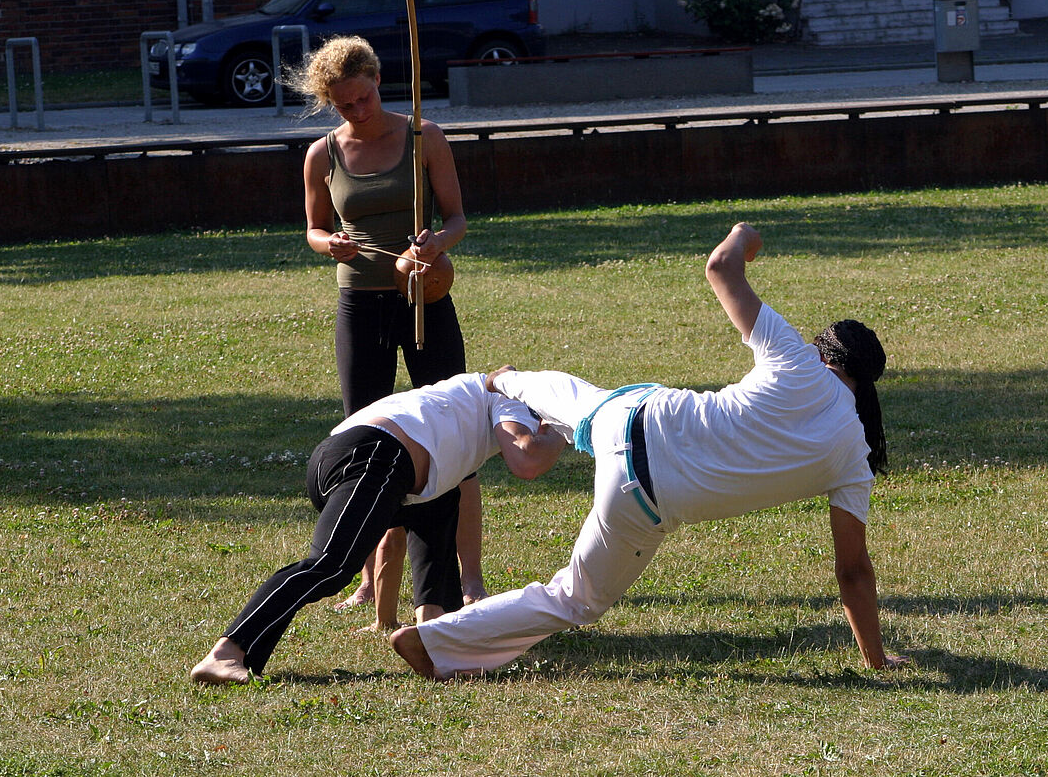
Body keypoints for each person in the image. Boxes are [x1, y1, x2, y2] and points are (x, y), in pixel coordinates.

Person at [391, 222, 909, 679]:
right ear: (866, 385)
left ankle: (508, 382)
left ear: (825, 353)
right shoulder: (853, 459)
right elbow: (852, 571)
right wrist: (876, 659)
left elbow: (721, 266)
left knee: (586, 405)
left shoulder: (797, 358)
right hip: (642, 498)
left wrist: (747, 234)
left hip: (637, 414)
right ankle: (435, 640)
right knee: (573, 599)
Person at [190, 372, 567, 685]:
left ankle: (433, 642)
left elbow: (433, 545)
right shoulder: (511, 394)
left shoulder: (457, 424)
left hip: (365, 455)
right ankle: (227, 651)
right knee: (331, 565)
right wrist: (559, 433)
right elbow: (526, 460)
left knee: (439, 509)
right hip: (375, 455)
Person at [294, 35, 487, 625]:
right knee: (367, 444)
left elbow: (456, 217)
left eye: (363, 98)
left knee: (457, 437)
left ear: (379, 80)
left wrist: (436, 243)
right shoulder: (322, 155)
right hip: (360, 304)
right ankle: (372, 581)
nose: (357, 111)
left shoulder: (425, 137)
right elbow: (313, 229)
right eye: (344, 104)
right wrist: (332, 245)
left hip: (424, 298)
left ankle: (469, 576)